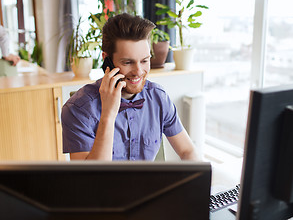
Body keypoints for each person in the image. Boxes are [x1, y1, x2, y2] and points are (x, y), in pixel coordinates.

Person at [61, 13, 198, 161]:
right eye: (128, 62)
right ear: (106, 60)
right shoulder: (78, 109)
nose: (138, 71)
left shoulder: (158, 97)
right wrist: (108, 114)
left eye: (144, 61)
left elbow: (187, 151)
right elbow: (89, 180)